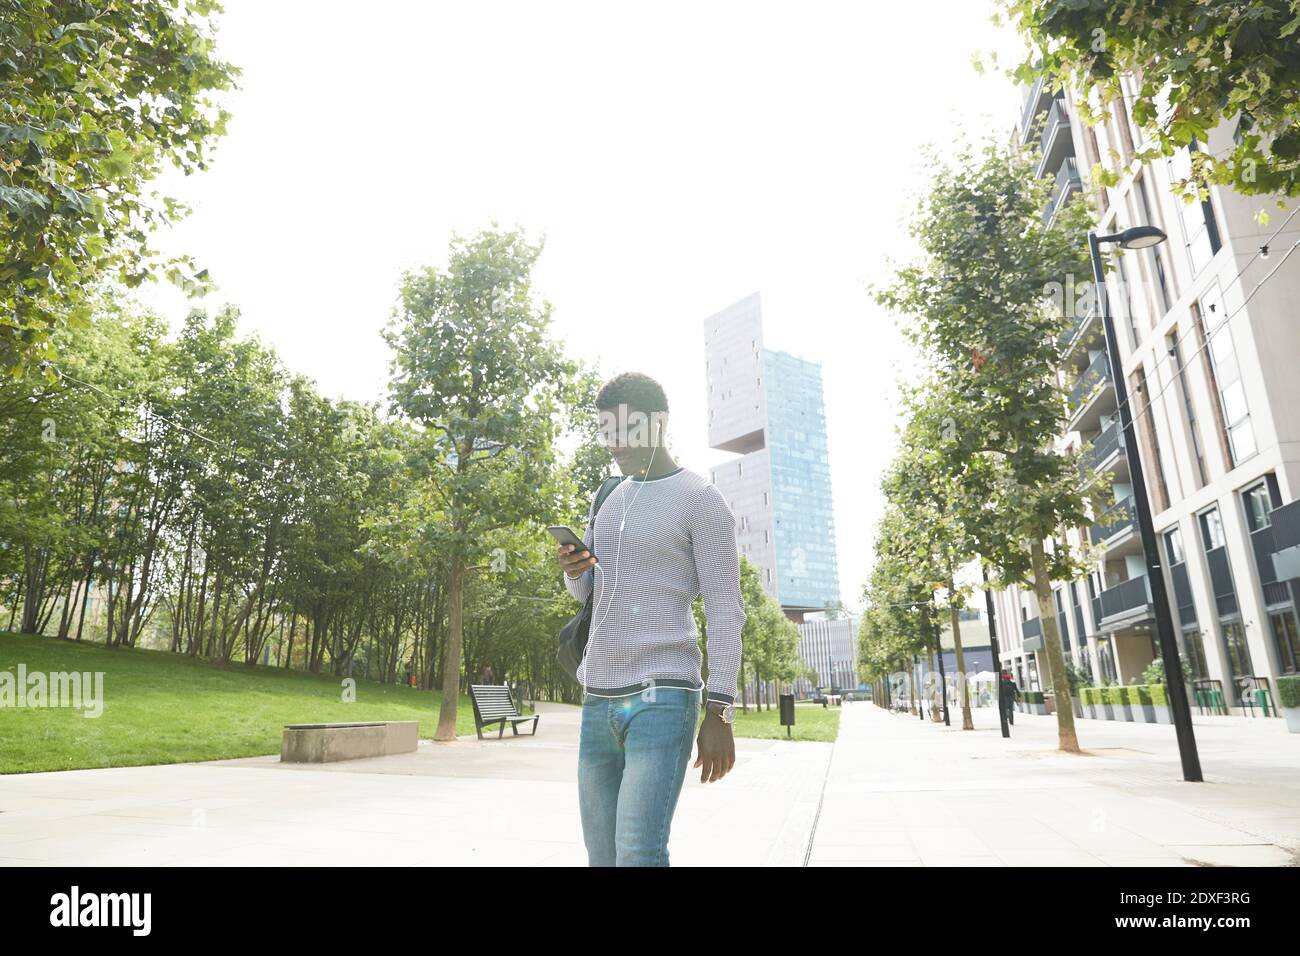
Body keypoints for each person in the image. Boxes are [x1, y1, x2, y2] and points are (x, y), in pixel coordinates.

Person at [556, 372, 744, 867]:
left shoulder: (700, 500)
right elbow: (592, 594)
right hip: (599, 698)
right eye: (605, 432)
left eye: (623, 430)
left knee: (637, 852)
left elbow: (726, 607)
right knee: (602, 856)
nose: (613, 444)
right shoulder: (608, 499)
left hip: (663, 696)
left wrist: (719, 709)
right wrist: (574, 570)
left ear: (657, 424)